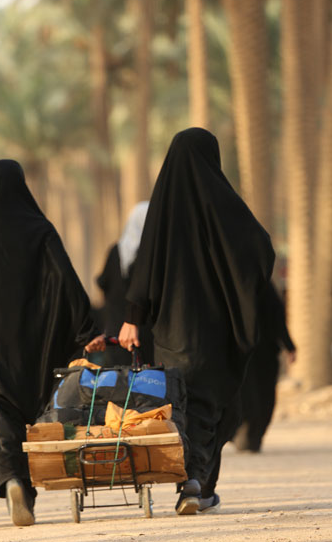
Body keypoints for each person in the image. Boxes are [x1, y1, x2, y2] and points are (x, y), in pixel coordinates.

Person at [119, 128, 275, 515]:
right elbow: (261, 250)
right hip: (219, 331)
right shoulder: (225, 206)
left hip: (172, 332)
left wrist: (133, 319)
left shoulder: (162, 211)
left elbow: (144, 270)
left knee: (186, 406)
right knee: (215, 406)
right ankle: (197, 483)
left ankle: (195, 484)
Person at [0, 160, 104, 526]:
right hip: (35, 348)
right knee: (31, 413)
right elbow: (65, 277)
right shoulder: (39, 228)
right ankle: (26, 485)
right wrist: (86, 328)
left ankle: (13, 479)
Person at [233, 281, 296, 452]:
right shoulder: (263, 283)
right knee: (260, 396)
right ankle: (249, 437)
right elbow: (277, 316)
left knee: (248, 395)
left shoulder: (230, 282)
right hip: (261, 353)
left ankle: (246, 436)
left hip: (241, 352)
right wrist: (289, 346)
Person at [96, 201, 154, 365]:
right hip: (144, 332)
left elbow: (103, 283)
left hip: (116, 332)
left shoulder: (115, 251)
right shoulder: (151, 257)